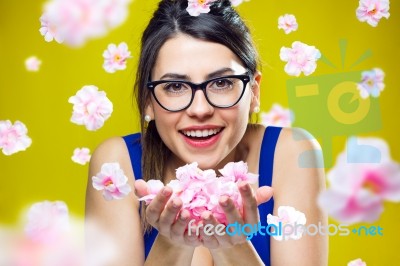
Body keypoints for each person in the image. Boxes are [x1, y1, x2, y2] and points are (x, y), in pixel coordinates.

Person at [85, 0, 328, 265]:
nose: (200, 110)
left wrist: (234, 247)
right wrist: (171, 244)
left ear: (254, 92)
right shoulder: (116, 165)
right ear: (148, 100)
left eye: (222, 83)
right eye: (175, 86)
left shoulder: (292, 153)